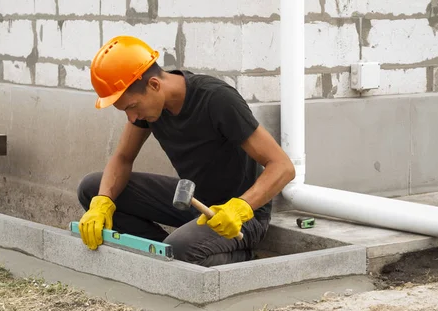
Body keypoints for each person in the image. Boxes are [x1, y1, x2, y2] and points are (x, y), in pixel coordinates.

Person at [77, 36, 295, 267]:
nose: (132, 118)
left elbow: (283, 166)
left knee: (180, 247)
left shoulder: (217, 99)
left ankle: (222, 257)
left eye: (132, 107)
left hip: (241, 216)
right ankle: (169, 256)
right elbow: (122, 158)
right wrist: (102, 203)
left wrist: (240, 207)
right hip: (195, 202)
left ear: (154, 85)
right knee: (92, 189)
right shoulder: (150, 107)